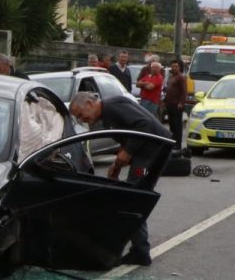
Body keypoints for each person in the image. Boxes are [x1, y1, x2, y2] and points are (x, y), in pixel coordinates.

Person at [67, 90, 171, 266]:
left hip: (152, 154)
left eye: (81, 114)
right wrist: (117, 165)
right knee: (136, 196)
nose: (82, 120)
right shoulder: (107, 115)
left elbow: (143, 124)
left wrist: (127, 153)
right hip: (148, 154)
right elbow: (129, 137)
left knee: (134, 197)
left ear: (90, 104)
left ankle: (140, 251)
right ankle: (140, 249)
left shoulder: (112, 107)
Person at [160, 57, 190, 142]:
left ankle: (178, 144)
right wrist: (164, 101)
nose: (174, 68)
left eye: (176, 66)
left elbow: (184, 92)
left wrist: (181, 103)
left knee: (177, 126)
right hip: (169, 105)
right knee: (171, 125)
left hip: (177, 105)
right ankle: (172, 142)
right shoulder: (170, 77)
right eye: (172, 66)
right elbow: (167, 91)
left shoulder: (181, 77)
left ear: (179, 67)